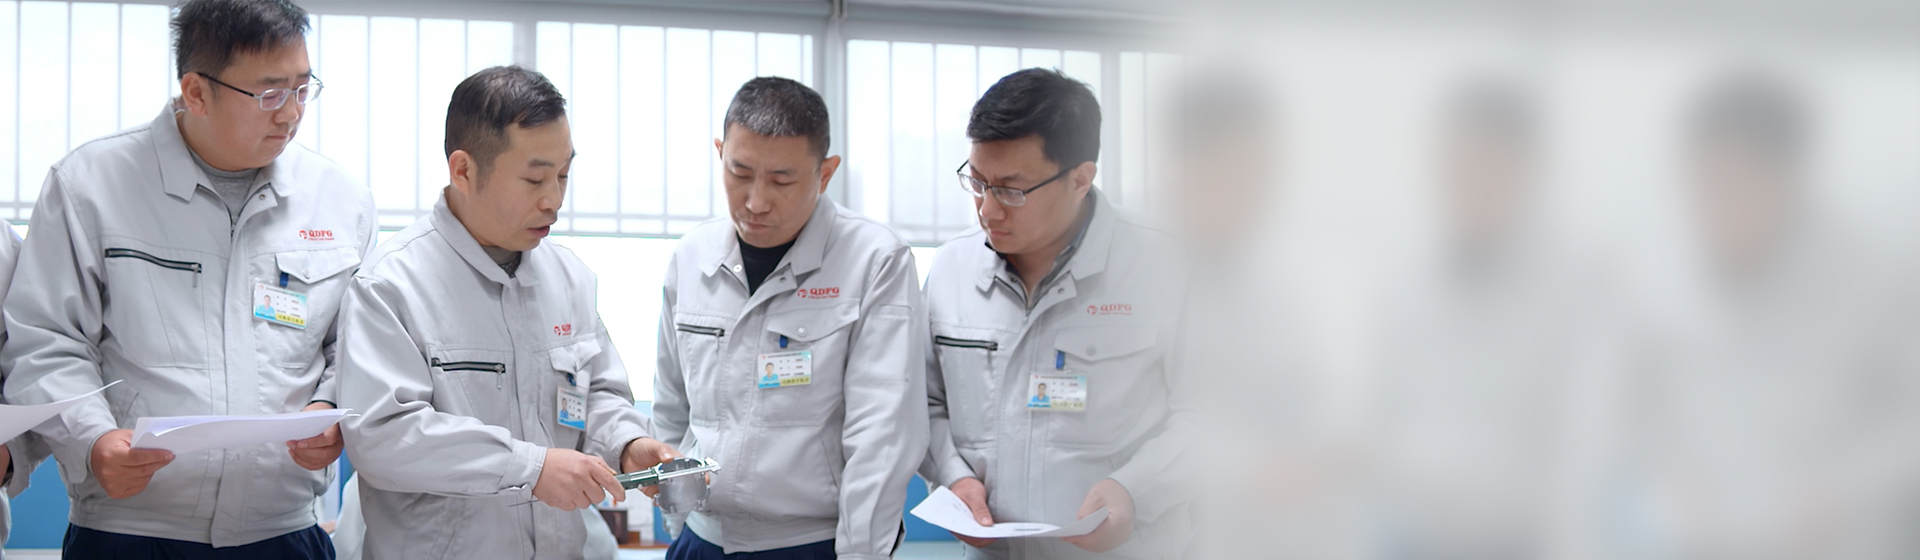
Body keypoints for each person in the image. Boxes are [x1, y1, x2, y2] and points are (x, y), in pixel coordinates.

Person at [0, 0, 370, 556]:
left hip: (285, 529)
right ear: (196, 92)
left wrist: (329, 407)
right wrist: (94, 440)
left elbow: (356, 343)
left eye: (302, 88)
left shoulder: (339, 200)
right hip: (130, 531)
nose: (291, 113)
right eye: (270, 94)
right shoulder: (91, 186)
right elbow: (48, 340)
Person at [336, 65, 676, 560]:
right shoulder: (391, 285)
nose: (553, 200)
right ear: (463, 171)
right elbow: (385, 437)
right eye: (534, 178)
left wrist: (626, 443)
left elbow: (595, 395)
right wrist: (529, 468)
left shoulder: (569, 277)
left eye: (563, 175)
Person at [921, 68, 1194, 559]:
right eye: (977, 182)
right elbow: (924, 402)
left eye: (1011, 190)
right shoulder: (951, 269)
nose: (987, 210)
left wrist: (1136, 489)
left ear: (1080, 179)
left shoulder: (1166, 265)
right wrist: (953, 476)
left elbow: (1212, 413)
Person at [652, 76, 927, 560]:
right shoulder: (693, 255)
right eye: (740, 173)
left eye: (782, 180)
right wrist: (679, 520)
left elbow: (881, 435)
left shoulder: (873, 261)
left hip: (810, 543)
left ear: (826, 173)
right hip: (701, 538)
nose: (756, 202)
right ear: (720, 153)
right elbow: (671, 404)